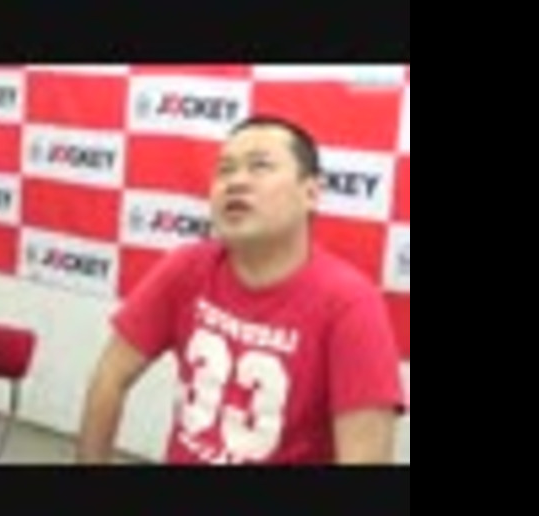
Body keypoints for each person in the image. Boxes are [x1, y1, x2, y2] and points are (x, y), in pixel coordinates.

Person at [77, 115, 405, 465]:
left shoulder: (351, 304)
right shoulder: (187, 268)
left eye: (259, 166)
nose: (236, 181)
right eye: (225, 170)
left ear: (310, 193)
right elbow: (110, 376)